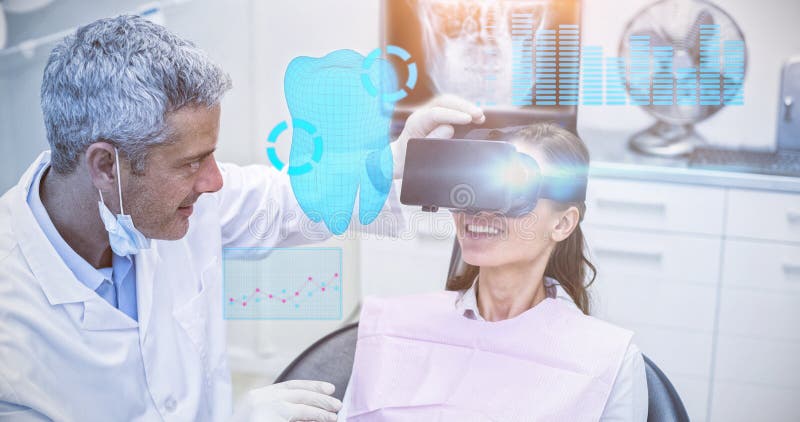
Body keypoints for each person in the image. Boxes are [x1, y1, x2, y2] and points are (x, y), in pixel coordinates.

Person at [0, 15, 485, 422]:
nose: (213, 181)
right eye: (191, 162)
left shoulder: (166, 204)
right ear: (107, 166)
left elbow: (290, 202)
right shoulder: (10, 315)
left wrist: (395, 161)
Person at [339, 123, 648, 421]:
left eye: (511, 190)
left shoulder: (608, 360)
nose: (479, 209)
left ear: (562, 223)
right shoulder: (394, 327)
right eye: (475, 184)